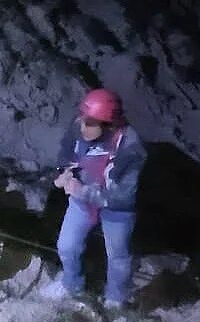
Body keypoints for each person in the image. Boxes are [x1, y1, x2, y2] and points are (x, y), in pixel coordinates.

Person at [40, 88, 147, 309]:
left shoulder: (131, 148)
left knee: (118, 254)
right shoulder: (80, 126)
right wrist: (63, 172)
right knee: (66, 246)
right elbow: (66, 152)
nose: (82, 126)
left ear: (109, 124)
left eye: (90, 123)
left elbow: (121, 196)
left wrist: (82, 191)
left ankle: (115, 297)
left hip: (115, 206)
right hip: (84, 198)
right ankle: (72, 283)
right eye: (82, 119)